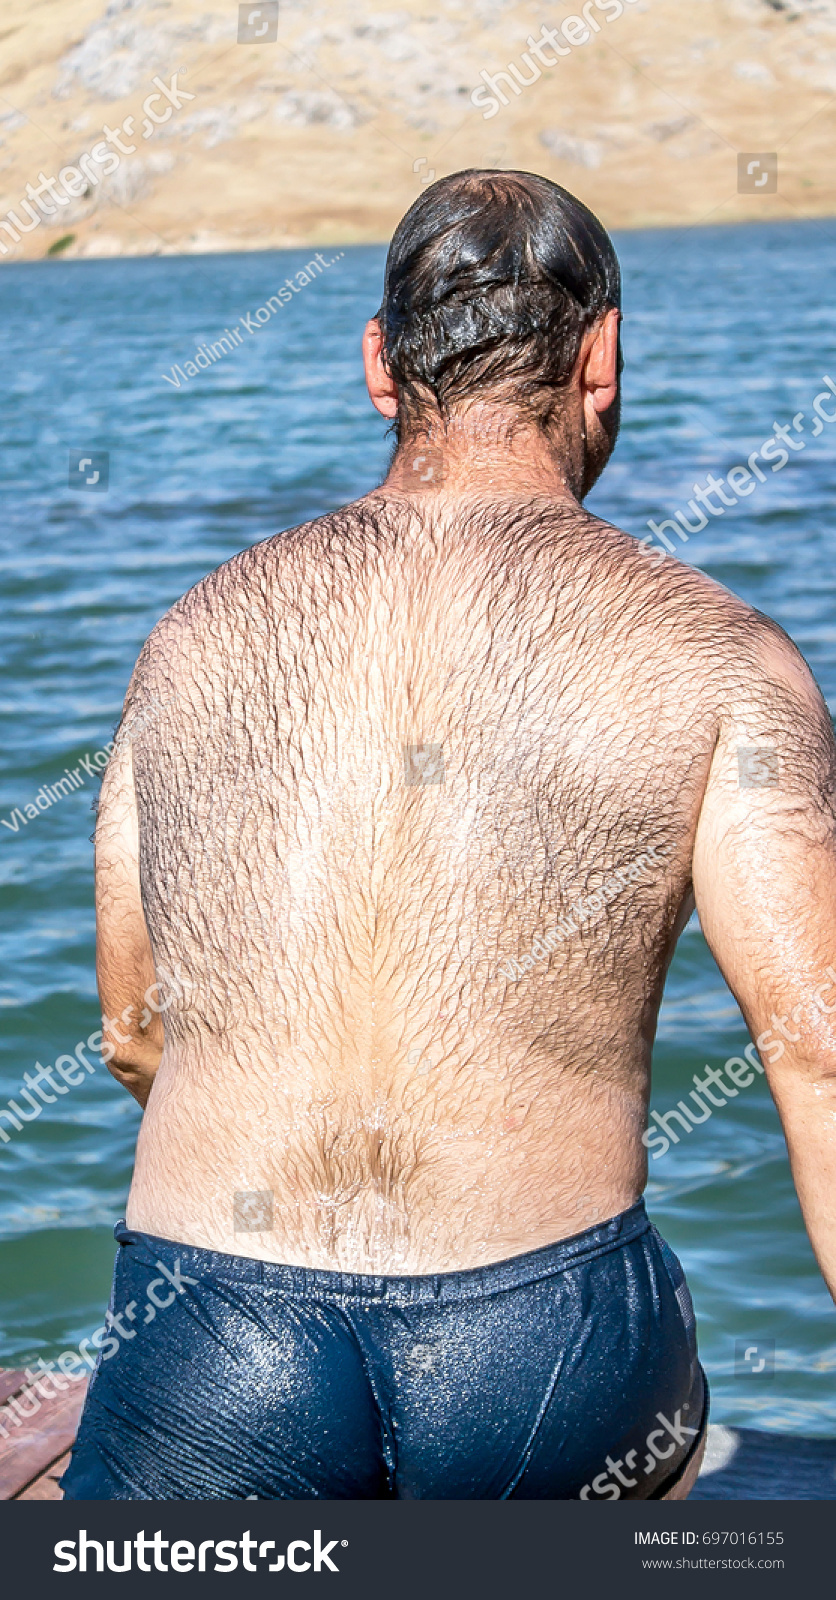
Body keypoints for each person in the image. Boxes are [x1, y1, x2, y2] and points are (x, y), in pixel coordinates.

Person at [62, 170, 836, 1501]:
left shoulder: (187, 638)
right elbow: (817, 1048)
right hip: (544, 1348)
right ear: (602, 356)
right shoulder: (722, 655)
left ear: (380, 364)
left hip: (213, 1331)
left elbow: (133, 1028)